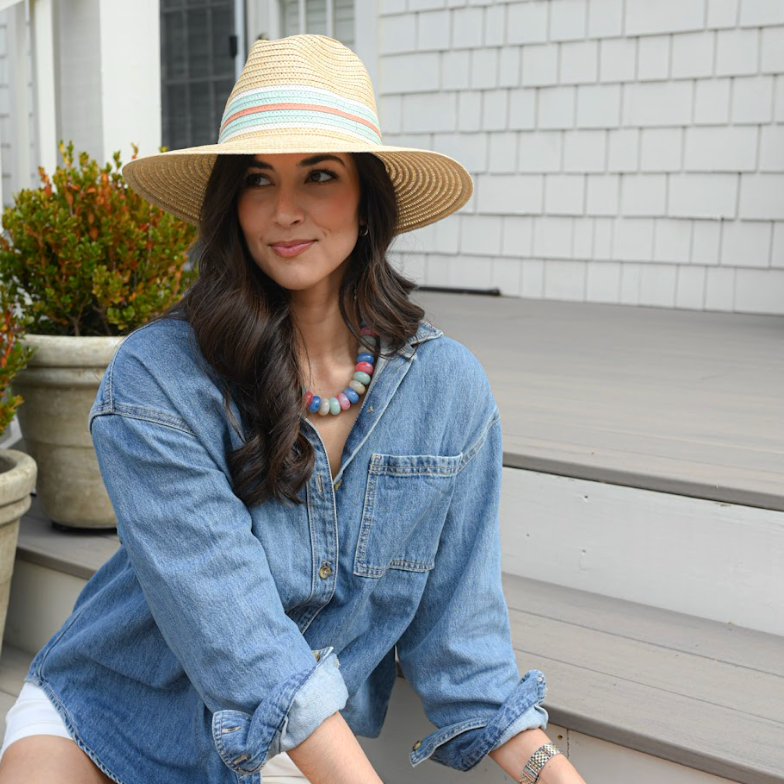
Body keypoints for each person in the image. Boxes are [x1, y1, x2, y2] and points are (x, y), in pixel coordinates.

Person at [0, 35, 588, 784]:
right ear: (231, 204)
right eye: (256, 180)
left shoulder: (449, 392)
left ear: (367, 201)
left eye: (318, 174)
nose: (284, 212)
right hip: (111, 717)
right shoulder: (159, 377)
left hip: (281, 754)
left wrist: (548, 769)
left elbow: (460, 639)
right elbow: (236, 635)